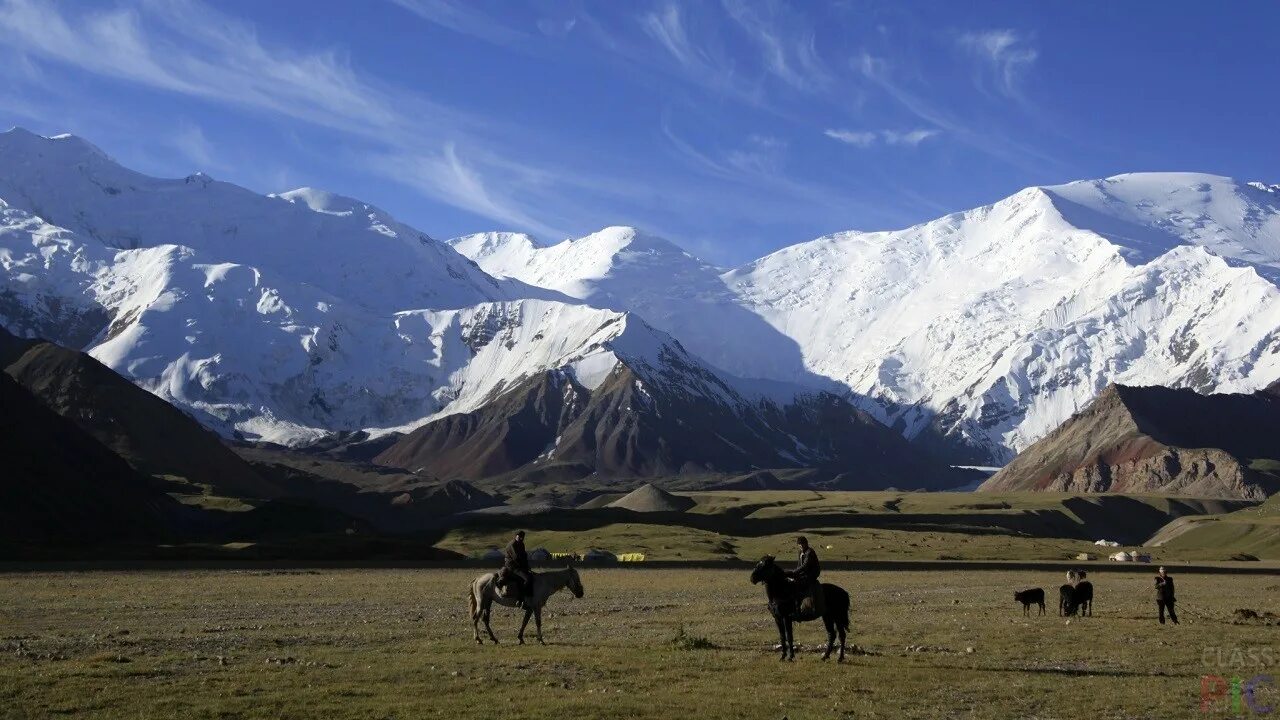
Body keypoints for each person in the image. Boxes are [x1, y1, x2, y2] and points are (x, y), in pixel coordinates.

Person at [785, 536, 822, 614]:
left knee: (802, 583)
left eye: (802, 544)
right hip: (804, 572)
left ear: (806, 544)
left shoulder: (810, 552)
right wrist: (794, 574)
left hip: (812, 573)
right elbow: (799, 565)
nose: (801, 546)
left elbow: (805, 565)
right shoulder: (800, 552)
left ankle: (805, 604)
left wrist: (794, 572)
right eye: (799, 545)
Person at [498, 530, 533, 608]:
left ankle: (528, 597)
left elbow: (524, 556)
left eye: (522, 537)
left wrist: (527, 566)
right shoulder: (512, 544)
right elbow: (516, 558)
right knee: (527, 579)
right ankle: (520, 599)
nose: (521, 538)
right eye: (519, 537)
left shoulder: (521, 544)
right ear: (516, 536)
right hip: (512, 566)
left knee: (530, 576)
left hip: (519, 565)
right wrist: (524, 567)